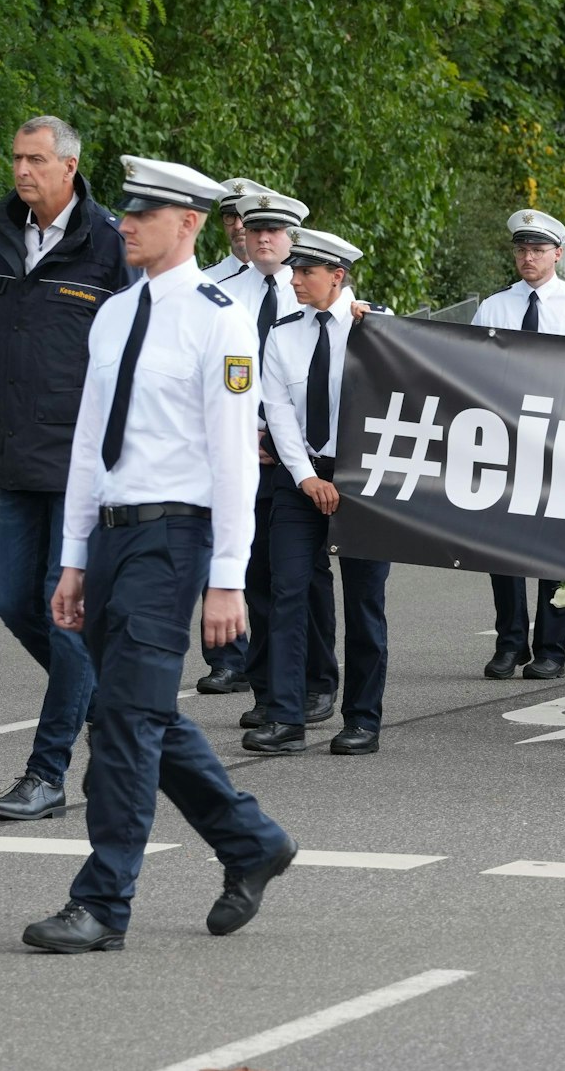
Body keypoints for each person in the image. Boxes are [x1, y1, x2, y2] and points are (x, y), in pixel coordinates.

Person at [24, 154, 295, 954]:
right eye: (125, 212)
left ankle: (103, 900)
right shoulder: (112, 314)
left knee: (123, 724)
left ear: (190, 223)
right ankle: (251, 841)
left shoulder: (220, 318)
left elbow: (235, 457)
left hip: (176, 536)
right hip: (111, 534)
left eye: (143, 213)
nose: (125, 223)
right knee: (134, 712)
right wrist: (72, 557)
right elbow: (86, 447)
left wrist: (227, 578)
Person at [0, 116, 132, 821]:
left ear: (70, 166)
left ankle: (47, 770)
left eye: (35, 158)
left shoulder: (109, 244)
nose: (22, 170)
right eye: (16, 158)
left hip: (84, 461)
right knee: (14, 603)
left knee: (67, 618)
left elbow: (134, 357)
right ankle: (103, 701)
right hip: (15, 453)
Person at [242, 227, 393, 758]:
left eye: (307, 271)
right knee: (288, 592)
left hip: (364, 480)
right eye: (295, 270)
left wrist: (342, 478)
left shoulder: (378, 329)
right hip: (300, 475)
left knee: (364, 601)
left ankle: (362, 720)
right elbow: (279, 412)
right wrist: (305, 475)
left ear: (338, 276)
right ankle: (286, 717)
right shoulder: (284, 333)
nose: (295, 279)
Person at [215, 189, 312, 730]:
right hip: (242, 453)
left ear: (292, 239)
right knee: (254, 576)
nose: (264, 240)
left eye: (274, 232)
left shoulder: (312, 290)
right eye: (255, 231)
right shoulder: (220, 292)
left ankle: (314, 683)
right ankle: (267, 690)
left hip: (300, 457)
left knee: (301, 582)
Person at [471, 210, 565, 679]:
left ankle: (553, 646)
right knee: (502, 548)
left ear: (558, 253)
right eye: (521, 250)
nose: (528, 258)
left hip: (562, 441)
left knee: (559, 554)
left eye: (537, 250)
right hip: (506, 440)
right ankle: (510, 641)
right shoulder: (495, 307)